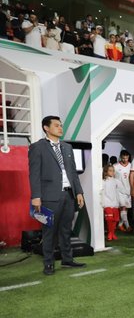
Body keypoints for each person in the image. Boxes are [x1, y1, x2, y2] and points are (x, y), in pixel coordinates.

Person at [29, 115, 86, 275]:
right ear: (46, 128)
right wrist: (36, 196)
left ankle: (67, 259)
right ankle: (49, 264)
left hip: (69, 195)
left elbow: (73, 172)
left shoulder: (67, 147)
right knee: (49, 232)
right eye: (56, 125)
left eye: (61, 125)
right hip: (49, 196)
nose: (60, 128)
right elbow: (34, 174)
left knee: (66, 230)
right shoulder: (37, 147)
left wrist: (79, 192)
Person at [113, 150, 132, 232]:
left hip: (128, 190)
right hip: (119, 190)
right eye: (123, 158)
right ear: (120, 157)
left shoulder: (131, 165)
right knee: (123, 208)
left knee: (126, 209)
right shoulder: (115, 166)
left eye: (126, 158)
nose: (125, 159)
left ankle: (120, 225)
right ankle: (128, 226)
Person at [102, 164, 122, 242]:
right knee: (109, 218)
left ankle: (112, 233)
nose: (112, 172)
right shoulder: (103, 181)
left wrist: (120, 202)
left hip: (115, 203)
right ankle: (110, 233)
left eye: (113, 171)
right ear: (106, 172)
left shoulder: (116, 181)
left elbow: (119, 191)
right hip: (107, 203)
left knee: (115, 220)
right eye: (110, 170)